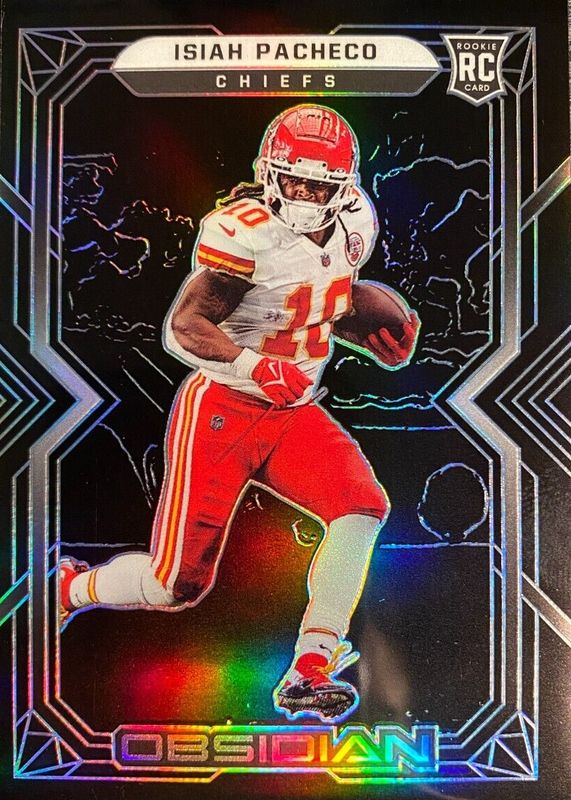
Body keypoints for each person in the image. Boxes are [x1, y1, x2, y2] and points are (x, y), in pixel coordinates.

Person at [60, 104, 420, 723]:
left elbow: (319, 298)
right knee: (176, 586)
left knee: (362, 509)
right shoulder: (245, 233)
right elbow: (185, 326)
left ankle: (310, 666)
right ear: (270, 174)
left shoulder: (357, 221)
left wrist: (363, 322)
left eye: (320, 186)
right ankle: (71, 588)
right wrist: (254, 366)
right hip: (224, 410)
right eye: (295, 181)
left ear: (345, 186)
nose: (305, 196)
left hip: (293, 411)